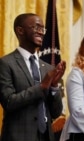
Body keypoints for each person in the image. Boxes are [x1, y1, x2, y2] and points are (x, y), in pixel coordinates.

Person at [0, 13, 66, 141]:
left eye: (43, 29)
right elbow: (9, 102)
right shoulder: (5, 63)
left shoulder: (48, 68)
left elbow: (56, 112)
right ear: (20, 31)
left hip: (46, 136)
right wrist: (42, 86)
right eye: (37, 28)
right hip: (18, 137)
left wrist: (53, 87)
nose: (41, 33)